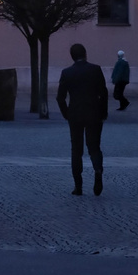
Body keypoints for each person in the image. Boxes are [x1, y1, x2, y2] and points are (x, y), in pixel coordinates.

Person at [56, 43, 108, 196]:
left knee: (76, 150)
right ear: (85, 54)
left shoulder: (67, 73)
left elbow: (60, 98)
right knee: (94, 147)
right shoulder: (95, 69)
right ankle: (98, 171)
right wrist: (103, 113)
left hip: (75, 114)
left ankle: (78, 186)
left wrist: (67, 114)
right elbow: (103, 93)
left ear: (72, 56)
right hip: (94, 113)